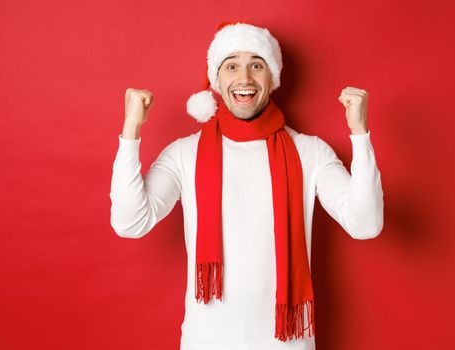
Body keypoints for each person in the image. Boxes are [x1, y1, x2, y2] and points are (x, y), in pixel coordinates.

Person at [110, 21, 384, 350]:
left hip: (287, 344)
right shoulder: (185, 154)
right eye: (231, 66)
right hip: (206, 342)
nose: (244, 79)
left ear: (273, 77)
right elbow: (129, 222)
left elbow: (366, 224)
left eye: (256, 65)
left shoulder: (310, 152)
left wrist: (360, 134)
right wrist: (130, 132)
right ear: (217, 79)